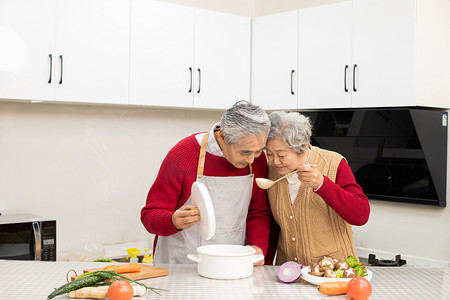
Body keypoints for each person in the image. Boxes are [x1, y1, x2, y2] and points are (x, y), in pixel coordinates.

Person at [141, 100, 272, 265]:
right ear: (223, 136)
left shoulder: (256, 160)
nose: (252, 159)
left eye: (259, 151)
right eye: (244, 152)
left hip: (229, 264)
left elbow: (258, 212)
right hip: (181, 265)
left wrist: (258, 247)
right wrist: (173, 220)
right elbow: (150, 215)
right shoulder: (183, 155)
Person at [264, 111, 370, 266]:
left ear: (303, 146)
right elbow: (273, 226)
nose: (275, 161)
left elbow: (361, 215)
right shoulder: (271, 172)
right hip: (288, 275)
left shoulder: (334, 163)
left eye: (281, 154)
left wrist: (322, 185)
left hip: (335, 273)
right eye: (269, 154)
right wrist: (264, 268)